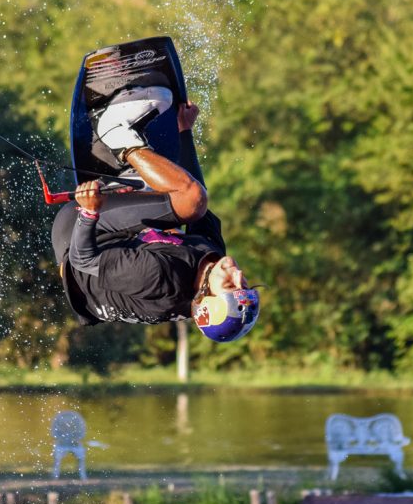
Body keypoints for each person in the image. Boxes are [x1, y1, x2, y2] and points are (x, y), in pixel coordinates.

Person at [51, 87, 260, 342]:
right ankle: (129, 170)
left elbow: (83, 260)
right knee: (189, 202)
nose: (237, 274)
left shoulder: (160, 278)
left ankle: (113, 131)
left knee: (189, 199)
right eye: (246, 285)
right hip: (120, 241)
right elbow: (197, 198)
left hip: (79, 237)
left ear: (204, 295)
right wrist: (184, 132)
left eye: (229, 285)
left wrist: (89, 211)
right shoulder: (211, 259)